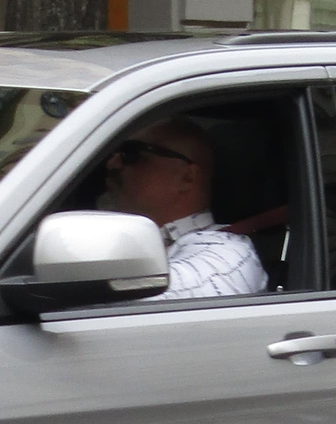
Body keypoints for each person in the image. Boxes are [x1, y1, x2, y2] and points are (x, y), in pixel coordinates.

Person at [99, 117, 267, 300]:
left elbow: (143, 303)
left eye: (131, 153)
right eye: (114, 153)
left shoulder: (227, 255)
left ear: (187, 177)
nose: (112, 164)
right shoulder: (130, 244)